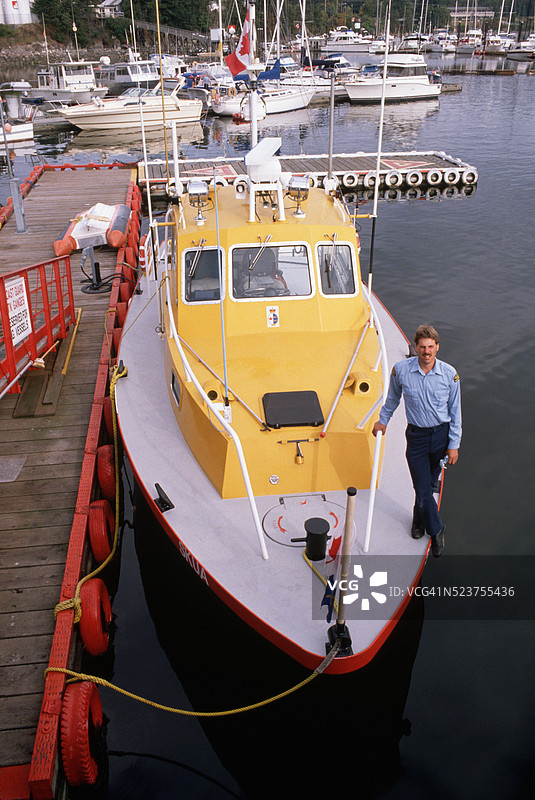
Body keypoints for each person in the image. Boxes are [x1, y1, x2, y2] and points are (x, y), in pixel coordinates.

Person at [372, 324, 461, 557]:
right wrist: (383, 421)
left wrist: (454, 445)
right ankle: (437, 528)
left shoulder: (450, 374)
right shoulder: (401, 370)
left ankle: (418, 521)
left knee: (427, 486)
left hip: (441, 436)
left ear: (437, 347)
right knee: (422, 488)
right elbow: (392, 399)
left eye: (431, 347)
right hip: (417, 437)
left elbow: (456, 412)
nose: (426, 351)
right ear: (415, 347)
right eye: (422, 347)